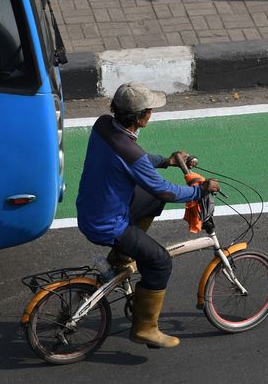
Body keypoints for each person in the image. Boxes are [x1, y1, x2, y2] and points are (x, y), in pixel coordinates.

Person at [76, 81, 220, 349]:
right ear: (141, 117)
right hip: (108, 224)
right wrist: (200, 192)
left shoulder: (103, 125)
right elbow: (165, 191)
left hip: (91, 208)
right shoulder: (130, 153)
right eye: (150, 110)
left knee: (151, 199)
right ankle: (145, 328)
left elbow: (138, 160)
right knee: (160, 262)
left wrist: (166, 161)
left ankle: (122, 256)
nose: (151, 114)